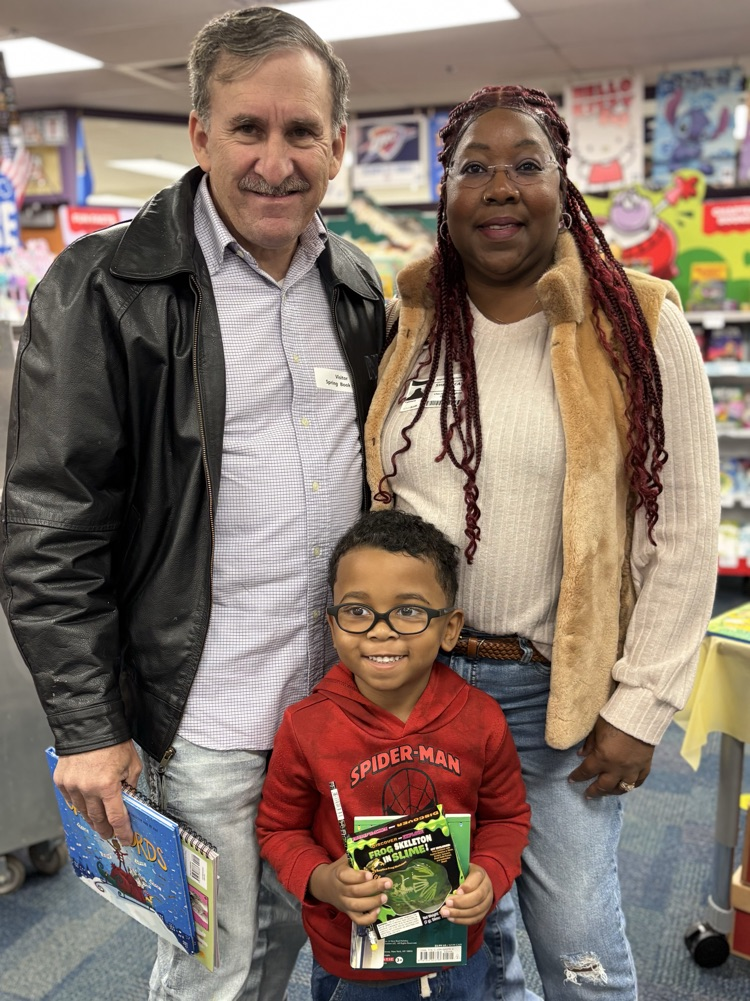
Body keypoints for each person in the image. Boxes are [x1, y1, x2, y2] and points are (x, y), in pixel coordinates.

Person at [1, 7, 384, 1001]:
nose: (275, 160)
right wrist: (88, 724)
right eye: (247, 128)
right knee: (217, 973)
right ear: (200, 134)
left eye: (301, 131)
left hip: (335, 708)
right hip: (202, 715)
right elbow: (49, 524)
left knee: (306, 938)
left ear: (338, 145)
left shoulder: (355, 287)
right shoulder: (105, 285)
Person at [364, 85, 720, 1000]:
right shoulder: (410, 322)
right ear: (445, 192)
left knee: (578, 944)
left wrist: (642, 705)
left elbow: (684, 533)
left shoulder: (639, 322)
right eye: (473, 167)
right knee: (441, 937)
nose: (499, 186)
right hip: (414, 689)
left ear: (565, 184)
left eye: (526, 163)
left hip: (553, 697)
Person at [256, 509, 531, 1000]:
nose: (380, 630)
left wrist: (489, 874)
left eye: (408, 611)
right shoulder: (306, 725)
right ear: (332, 624)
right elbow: (279, 830)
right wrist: (324, 880)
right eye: (357, 611)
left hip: (459, 956)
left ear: (449, 628)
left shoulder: (481, 720)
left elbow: (507, 819)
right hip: (352, 969)